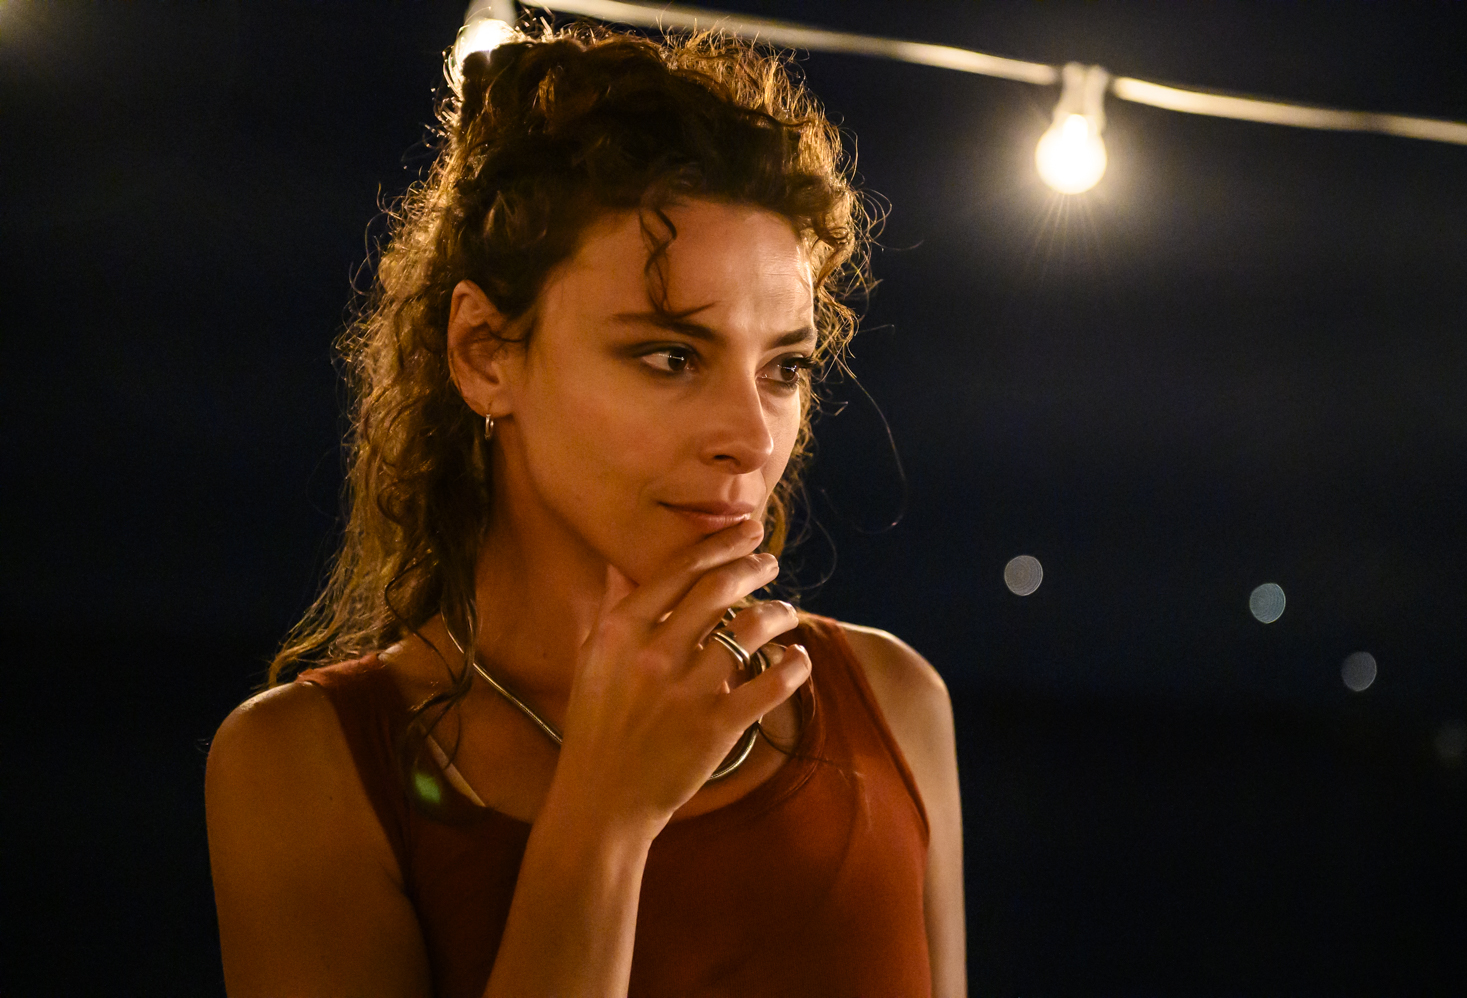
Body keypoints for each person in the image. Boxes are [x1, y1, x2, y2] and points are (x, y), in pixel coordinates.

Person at [205, 21, 965, 998]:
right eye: (671, 356)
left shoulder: (890, 703)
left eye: (784, 368)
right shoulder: (305, 763)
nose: (751, 435)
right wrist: (603, 817)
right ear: (485, 352)